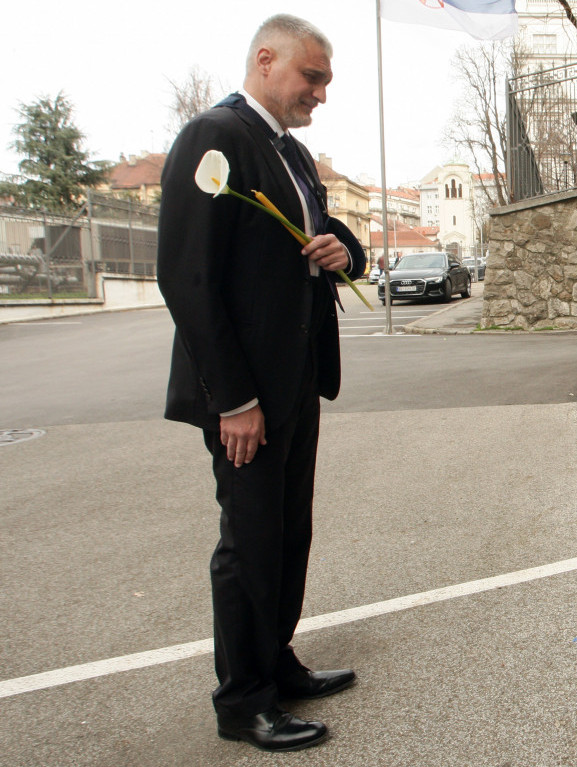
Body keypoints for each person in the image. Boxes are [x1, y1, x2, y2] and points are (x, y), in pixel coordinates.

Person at [156, 14, 366, 753]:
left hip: (297, 380)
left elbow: (328, 236)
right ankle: (243, 700)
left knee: (287, 531)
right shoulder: (215, 138)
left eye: (325, 82)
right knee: (248, 542)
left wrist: (350, 248)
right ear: (266, 60)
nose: (320, 94)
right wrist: (233, 398)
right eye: (312, 78)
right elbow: (187, 278)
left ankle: (275, 662)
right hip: (247, 394)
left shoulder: (293, 155)